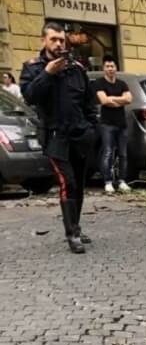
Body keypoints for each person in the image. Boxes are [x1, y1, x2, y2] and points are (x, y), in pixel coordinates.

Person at [20, 21, 97, 254]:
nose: (58, 44)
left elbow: (89, 102)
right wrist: (47, 74)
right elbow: (30, 96)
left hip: (79, 136)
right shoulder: (33, 68)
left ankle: (76, 225)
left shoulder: (77, 68)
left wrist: (91, 128)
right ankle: (71, 234)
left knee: (79, 186)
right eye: (53, 39)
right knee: (68, 183)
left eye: (61, 40)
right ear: (43, 40)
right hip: (55, 137)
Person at [93, 56, 132, 193]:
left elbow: (129, 99)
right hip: (107, 124)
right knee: (108, 153)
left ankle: (122, 181)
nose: (110, 69)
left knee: (123, 154)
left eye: (112, 66)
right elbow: (104, 101)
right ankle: (108, 182)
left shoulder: (122, 83)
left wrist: (113, 99)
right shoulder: (99, 83)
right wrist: (120, 100)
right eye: (107, 66)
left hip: (122, 123)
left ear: (116, 68)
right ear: (103, 68)